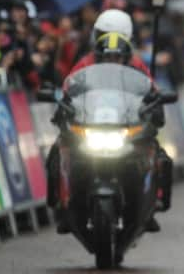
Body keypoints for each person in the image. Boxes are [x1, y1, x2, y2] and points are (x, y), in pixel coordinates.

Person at [49, 32, 171, 234]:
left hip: (126, 129)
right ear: (98, 56)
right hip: (92, 128)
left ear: (125, 57)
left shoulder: (137, 69)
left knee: (160, 157)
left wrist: (155, 108)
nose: (112, 61)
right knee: (57, 152)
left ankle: (151, 205)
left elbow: (152, 93)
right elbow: (69, 94)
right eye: (107, 57)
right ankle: (62, 208)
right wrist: (64, 110)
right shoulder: (85, 67)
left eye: (116, 57)